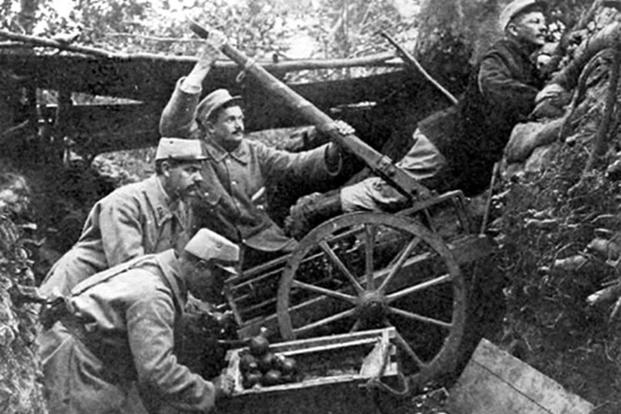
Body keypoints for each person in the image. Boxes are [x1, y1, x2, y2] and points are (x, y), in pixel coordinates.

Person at [285, 0, 549, 238]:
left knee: (411, 195)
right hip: (445, 141)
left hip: (462, 151)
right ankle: (314, 210)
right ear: (513, 30)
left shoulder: (523, 61)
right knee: (394, 190)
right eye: (535, 21)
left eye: (543, 21)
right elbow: (494, 86)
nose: (544, 27)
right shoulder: (499, 56)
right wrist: (537, 97)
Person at [159, 32, 351, 266]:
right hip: (217, 256)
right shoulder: (196, 153)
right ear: (210, 125)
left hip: (268, 244)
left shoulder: (255, 152)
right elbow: (172, 125)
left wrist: (336, 146)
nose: (239, 125)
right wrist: (204, 63)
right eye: (230, 119)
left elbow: (296, 164)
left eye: (240, 118)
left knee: (316, 265)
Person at [39, 228, 239, 414]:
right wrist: (210, 391)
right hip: (77, 362)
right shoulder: (153, 294)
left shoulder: (155, 267)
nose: (219, 289)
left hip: (84, 349)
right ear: (201, 267)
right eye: (219, 279)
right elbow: (158, 373)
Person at [39, 137, 206, 297]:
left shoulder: (180, 207)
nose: (199, 178)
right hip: (75, 290)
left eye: (199, 170)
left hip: (113, 294)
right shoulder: (125, 203)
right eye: (190, 170)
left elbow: (176, 265)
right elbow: (128, 267)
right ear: (166, 169)